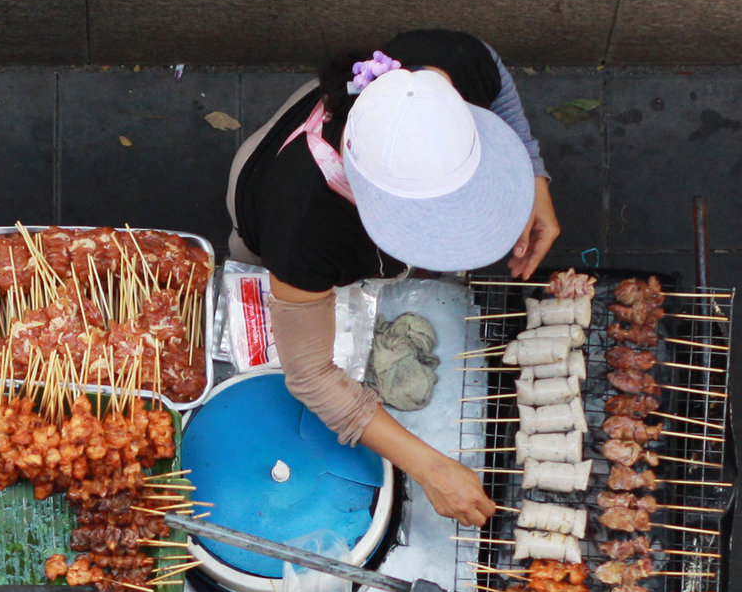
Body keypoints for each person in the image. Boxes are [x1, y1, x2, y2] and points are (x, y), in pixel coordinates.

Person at [226, 29, 559, 528]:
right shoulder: (303, 228)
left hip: (342, 126)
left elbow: (493, 72)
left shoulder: (434, 77)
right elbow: (311, 375)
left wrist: (532, 177)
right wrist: (428, 467)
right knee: (253, 265)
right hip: (268, 194)